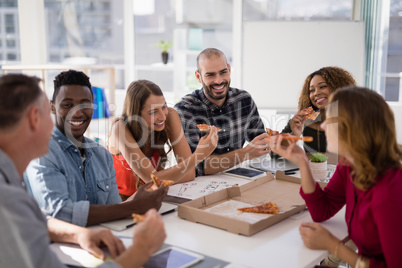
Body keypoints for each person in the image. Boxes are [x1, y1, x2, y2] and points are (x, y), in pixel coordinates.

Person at [0, 73, 166, 267]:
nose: (76, 113)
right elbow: (55, 213)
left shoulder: (10, 183)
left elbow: (39, 221)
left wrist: (79, 234)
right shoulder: (8, 200)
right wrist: (142, 249)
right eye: (49, 112)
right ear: (35, 118)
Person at [270, 86, 402, 267]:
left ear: (351, 128)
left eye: (330, 120)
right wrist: (302, 162)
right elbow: (321, 210)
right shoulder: (349, 165)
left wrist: (333, 245)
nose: (323, 126)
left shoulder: (389, 194)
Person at [24, 70, 166, 227]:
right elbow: (60, 213)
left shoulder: (102, 155)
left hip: (105, 240)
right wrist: (134, 206)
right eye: (67, 105)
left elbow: (115, 210)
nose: (77, 112)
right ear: (52, 107)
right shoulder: (41, 153)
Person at [108, 79, 218, 200]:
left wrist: (161, 178)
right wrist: (198, 155)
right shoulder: (120, 129)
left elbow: (189, 174)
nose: (162, 116)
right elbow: (153, 180)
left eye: (164, 106)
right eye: (153, 112)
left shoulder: (170, 115)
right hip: (122, 201)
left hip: (153, 197)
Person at [174, 48, 270, 176]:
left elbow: (262, 143)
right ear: (198, 76)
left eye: (223, 72)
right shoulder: (185, 110)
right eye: (210, 75)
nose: (219, 81)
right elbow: (195, 167)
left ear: (229, 70)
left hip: (238, 177)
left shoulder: (244, 99)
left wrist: (290, 133)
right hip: (200, 185)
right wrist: (244, 154)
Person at [281, 66, 356, 153]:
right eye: (312, 90)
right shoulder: (302, 119)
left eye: (322, 86)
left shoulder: (355, 120)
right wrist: (294, 135)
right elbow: (274, 154)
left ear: (339, 88)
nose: (316, 93)